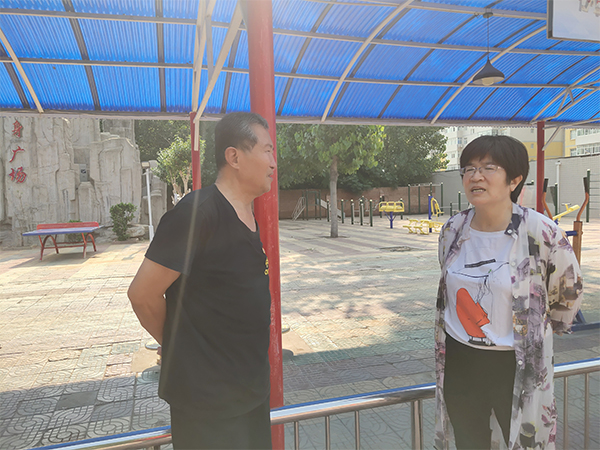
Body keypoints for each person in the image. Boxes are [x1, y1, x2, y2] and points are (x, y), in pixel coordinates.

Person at [128, 112, 276, 450]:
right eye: (267, 151)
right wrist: (179, 345)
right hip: (208, 402)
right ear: (234, 156)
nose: (273, 163)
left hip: (250, 392)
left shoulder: (247, 215)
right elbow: (142, 295)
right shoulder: (198, 213)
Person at [434, 135, 583, 450]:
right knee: (469, 443)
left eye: (488, 167)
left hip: (516, 363)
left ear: (515, 180)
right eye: (469, 168)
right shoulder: (453, 230)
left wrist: (543, 331)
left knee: (526, 443)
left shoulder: (541, 232)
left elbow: (568, 292)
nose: (475, 176)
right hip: (461, 360)